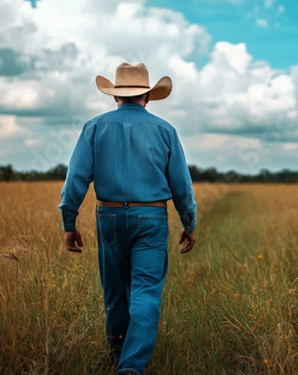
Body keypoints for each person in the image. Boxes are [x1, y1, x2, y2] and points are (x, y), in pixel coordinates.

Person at [58, 62, 197, 375]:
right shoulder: (165, 130)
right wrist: (189, 224)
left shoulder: (94, 127)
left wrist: (69, 224)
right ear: (148, 96)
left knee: (116, 296)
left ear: (114, 97)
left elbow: (75, 181)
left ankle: (117, 358)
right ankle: (130, 368)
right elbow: (182, 187)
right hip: (151, 217)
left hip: (107, 216)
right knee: (145, 293)